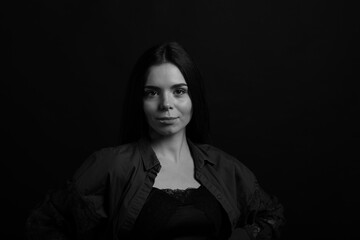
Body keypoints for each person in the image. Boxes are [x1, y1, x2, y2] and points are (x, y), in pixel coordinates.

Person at [26, 42, 285, 240]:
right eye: (152, 93)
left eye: (179, 91)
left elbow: (272, 216)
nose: (166, 104)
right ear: (139, 102)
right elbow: (44, 225)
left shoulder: (224, 167)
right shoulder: (110, 165)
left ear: (193, 97)